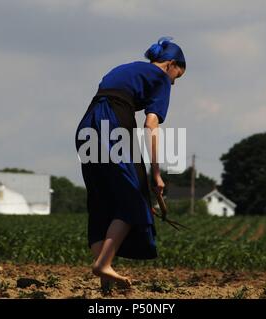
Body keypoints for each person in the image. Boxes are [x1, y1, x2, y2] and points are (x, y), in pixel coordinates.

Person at [75, 37, 186, 289]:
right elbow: (151, 125)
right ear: (170, 65)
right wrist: (156, 173)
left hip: (87, 125)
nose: (173, 84)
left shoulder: (126, 68)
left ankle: (106, 280)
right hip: (114, 122)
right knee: (135, 198)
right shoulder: (160, 78)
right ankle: (103, 265)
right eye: (176, 78)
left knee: (101, 201)